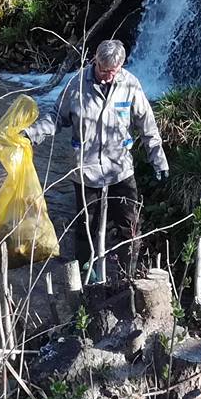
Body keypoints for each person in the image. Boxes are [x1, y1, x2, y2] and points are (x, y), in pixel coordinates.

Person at [25, 39, 167, 277]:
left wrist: (158, 158)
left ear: (120, 67)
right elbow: (57, 117)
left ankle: (126, 275)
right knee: (85, 229)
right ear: (95, 60)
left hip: (120, 170)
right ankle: (86, 277)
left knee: (129, 227)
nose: (107, 77)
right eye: (103, 70)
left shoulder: (130, 85)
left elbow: (148, 126)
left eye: (113, 72)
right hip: (86, 172)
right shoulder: (77, 84)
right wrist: (32, 134)